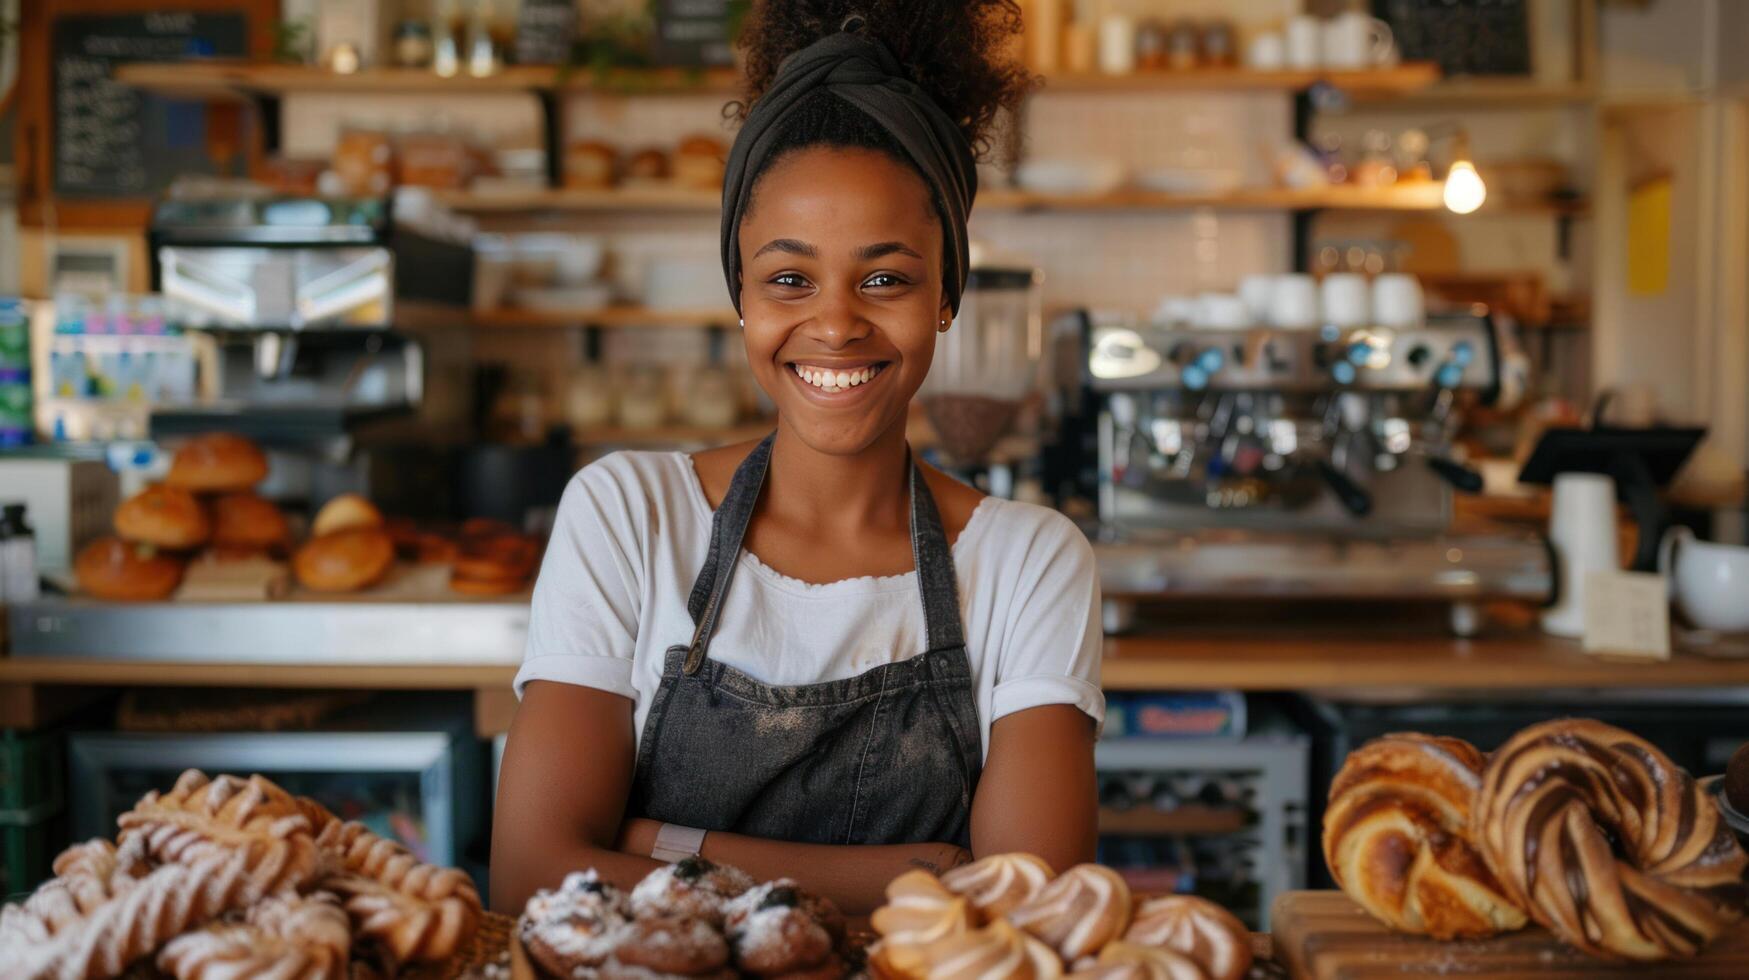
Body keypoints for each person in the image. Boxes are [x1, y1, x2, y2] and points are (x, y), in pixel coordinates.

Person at [491, 0, 1101, 914]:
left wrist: (655, 847)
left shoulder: (1028, 560)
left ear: (946, 296)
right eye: (788, 279)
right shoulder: (626, 511)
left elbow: (1026, 910)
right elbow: (534, 873)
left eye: (885, 278)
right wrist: (905, 877)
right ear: (741, 293)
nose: (835, 323)